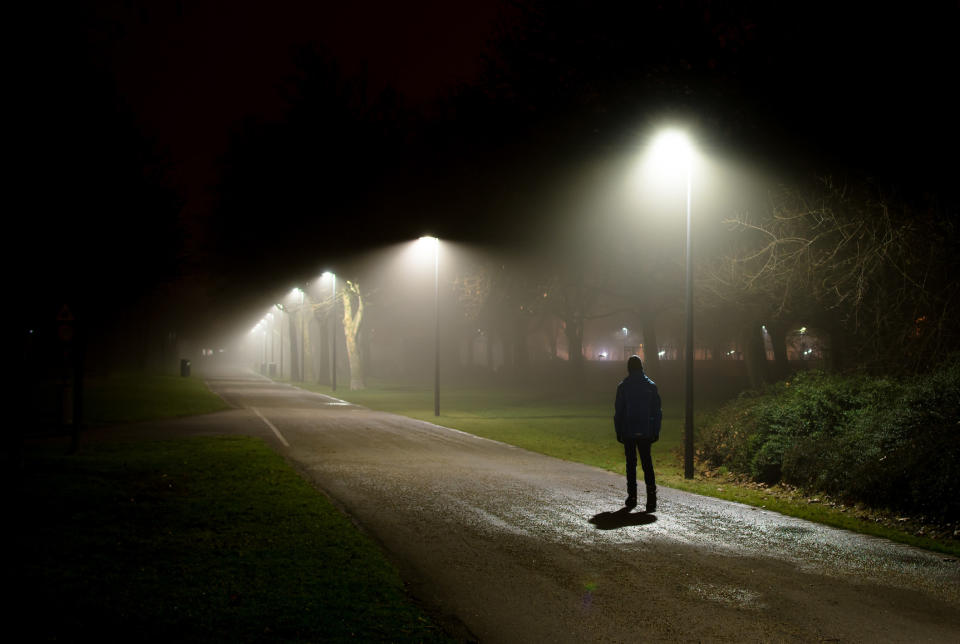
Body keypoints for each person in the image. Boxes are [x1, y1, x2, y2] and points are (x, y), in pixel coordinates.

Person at [614, 355, 662, 511]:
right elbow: (657, 411)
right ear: (641, 367)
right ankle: (651, 499)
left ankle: (632, 496)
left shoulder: (623, 386)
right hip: (646, 429)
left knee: (631, 464)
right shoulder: (651, 386)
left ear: (628, 368)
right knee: (647, 463)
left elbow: (619, 411)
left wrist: (618, 430)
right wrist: (655, 430)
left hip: (628, 430)